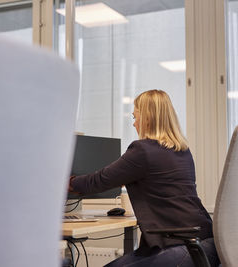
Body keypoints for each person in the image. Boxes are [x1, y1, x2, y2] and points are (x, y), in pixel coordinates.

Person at [69, 89, 220, 267]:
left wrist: (64, 183)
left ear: (147, 117)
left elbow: (98, 181)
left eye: (135, 117)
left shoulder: (143, 151)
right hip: (205, 245)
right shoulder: (182, 151)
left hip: (183, 247)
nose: (134, 124)